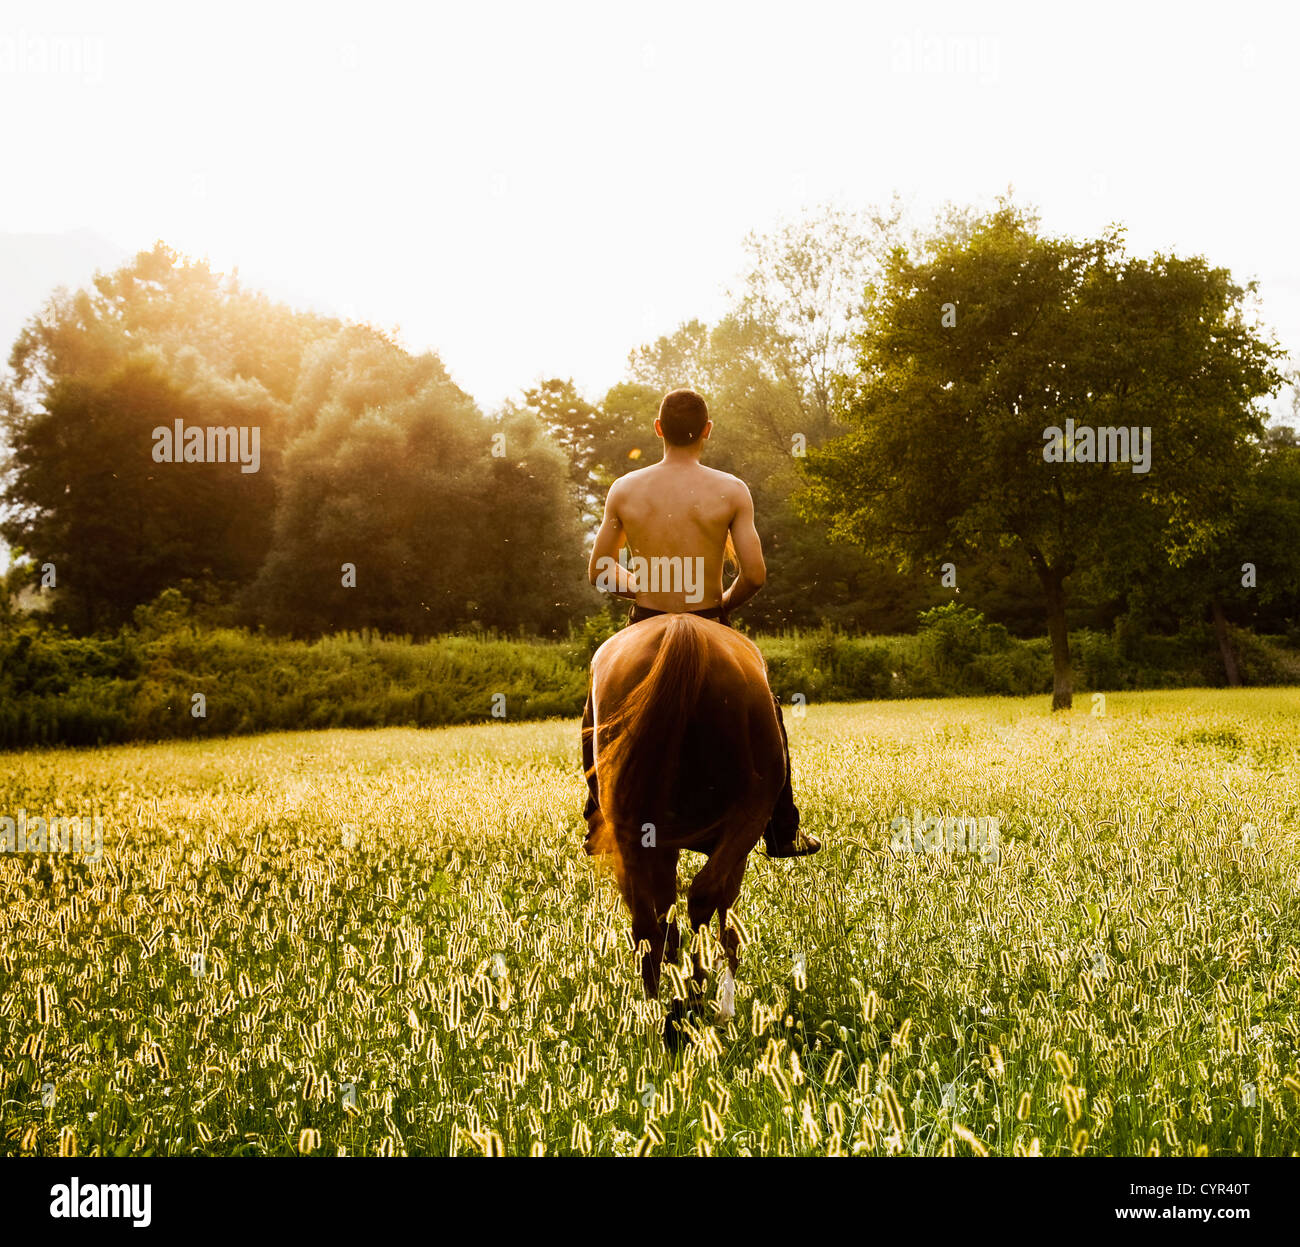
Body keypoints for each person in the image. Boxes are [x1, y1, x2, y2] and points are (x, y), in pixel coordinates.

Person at [581, 387, 820, 858]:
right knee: (766, 711)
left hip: (646, 616)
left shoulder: (625, 489)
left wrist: (645, 585)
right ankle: (782, 828)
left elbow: (600, 571)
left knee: (596, 708)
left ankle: (597, 817)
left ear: (658, 429)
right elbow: (754, 574)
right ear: (707, 431)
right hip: (710, 617)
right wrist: (721, 603)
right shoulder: (731, 490)